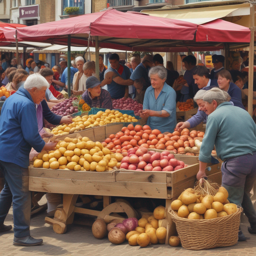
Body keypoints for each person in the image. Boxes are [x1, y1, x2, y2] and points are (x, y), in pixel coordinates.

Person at [0, 74, 57, 246]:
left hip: (4, 150)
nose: (44, 96)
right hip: (15, 153)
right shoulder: (26, 104)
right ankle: (22, 235)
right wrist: (46, 146)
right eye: (42, 92)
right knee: (22, 195)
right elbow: (31, 136)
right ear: (32, 90)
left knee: (8, 190)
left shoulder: (13, 97)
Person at [196, 87, 256, 241]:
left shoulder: (215, 116)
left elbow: (206, 146)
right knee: (241, 193)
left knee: (231, 199)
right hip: (253, 160)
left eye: (205, 106)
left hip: (236, 163)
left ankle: (235, 233)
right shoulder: (244, 112)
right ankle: (255, 224)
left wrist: (202, 170)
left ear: (214, 103)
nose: (204, 110)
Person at [141, 66, 176, 133]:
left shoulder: (170, 92)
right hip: (150, 129)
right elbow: (145, 110)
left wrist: (150, 112)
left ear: (163, 79)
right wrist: (143, 114)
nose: (152, 82)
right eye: (151, 79)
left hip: (166, 130)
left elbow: (167, 113)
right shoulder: (149, 90)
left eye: (155, 79)